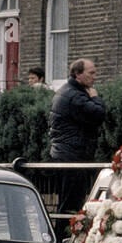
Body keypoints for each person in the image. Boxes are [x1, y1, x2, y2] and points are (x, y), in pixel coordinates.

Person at [49, 58, 106, 216]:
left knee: (68, 201)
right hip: (72, 155)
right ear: (77, 75)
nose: (95, 77)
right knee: (71, 204)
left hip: (66, 153)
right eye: (91, 73)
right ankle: (64, 238)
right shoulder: (75, 95)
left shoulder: (68, 91)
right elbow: (98, 114)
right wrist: (95, 98)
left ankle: (64, 237)